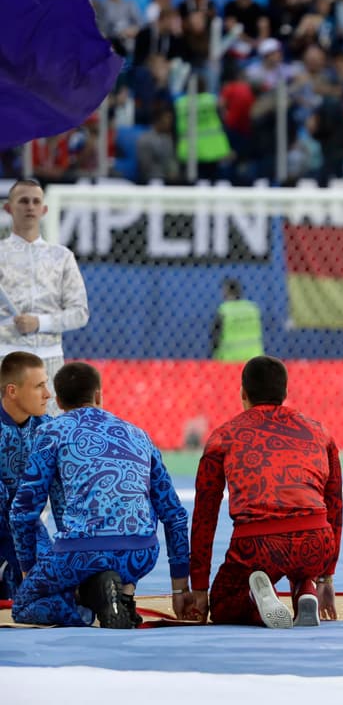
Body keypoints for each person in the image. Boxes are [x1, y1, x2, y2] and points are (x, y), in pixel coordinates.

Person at [9, 362, 191, 628]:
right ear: (98, 396)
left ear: (58, 401)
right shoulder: (139, 435)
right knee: (130, 514)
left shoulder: (51, 432)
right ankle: (124, 596)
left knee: (24, 605)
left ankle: (87, 606)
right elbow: (174, 515)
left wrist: (28, 571)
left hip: (80, 555)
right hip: (140, 555)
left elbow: (23, 511)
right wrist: (179, 590)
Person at [188, 356, 343, 628]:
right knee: (302, 553)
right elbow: (334, 505)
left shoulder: (224, 436)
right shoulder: (320, 432)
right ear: (285, 392)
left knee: (223, 603)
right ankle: (305, 589)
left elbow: (205, 514)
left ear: (243, 393)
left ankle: (252, 599)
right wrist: (326, 577)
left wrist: (200, 588)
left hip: (258, 546)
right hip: (316, 543)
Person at [0, 179, 89, 415]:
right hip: (4, 360)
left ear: (44, 209)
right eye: (23, 201)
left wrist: (40, 322)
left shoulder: (62, 256)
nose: (30, 206)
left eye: (35, 201)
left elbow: (80, 313)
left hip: (48, 362)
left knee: (47, 435)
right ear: (8, 208)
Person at [0, 352, 52, 600]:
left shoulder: (49, 430)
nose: (47, 394)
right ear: (12, 391)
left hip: (24, 524)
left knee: (51, 587)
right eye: (39, 386)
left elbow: (62, 495)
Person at [210, 277, 264, 362]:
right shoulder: (253, 308)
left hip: (231, 359)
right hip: (254, 357)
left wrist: (215, 356)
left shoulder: (224, 310)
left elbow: (215, 336)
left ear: (226, 291)